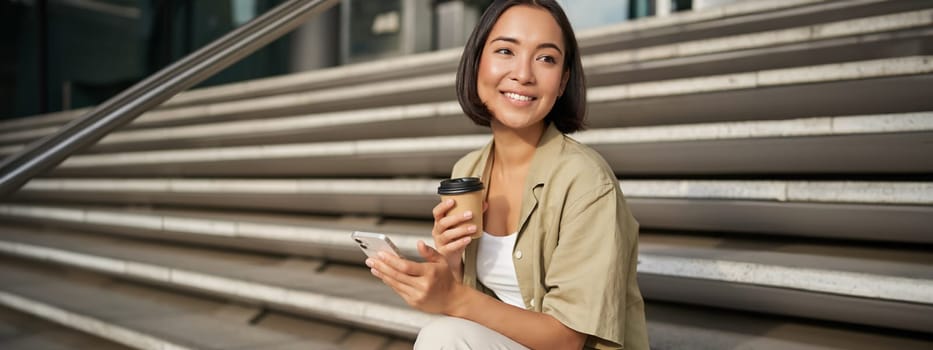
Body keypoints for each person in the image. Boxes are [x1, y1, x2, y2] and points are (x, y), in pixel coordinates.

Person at [365, 1, 649, 348]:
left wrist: (454, 297)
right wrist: (451, 264)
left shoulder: (587, 183)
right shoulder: (468, 171)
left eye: (546, 58)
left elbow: (568, 339)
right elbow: (476, 310)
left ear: (562, 81)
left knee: (442, 338)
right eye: (505, 51)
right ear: (477, 63)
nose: (524, 74)